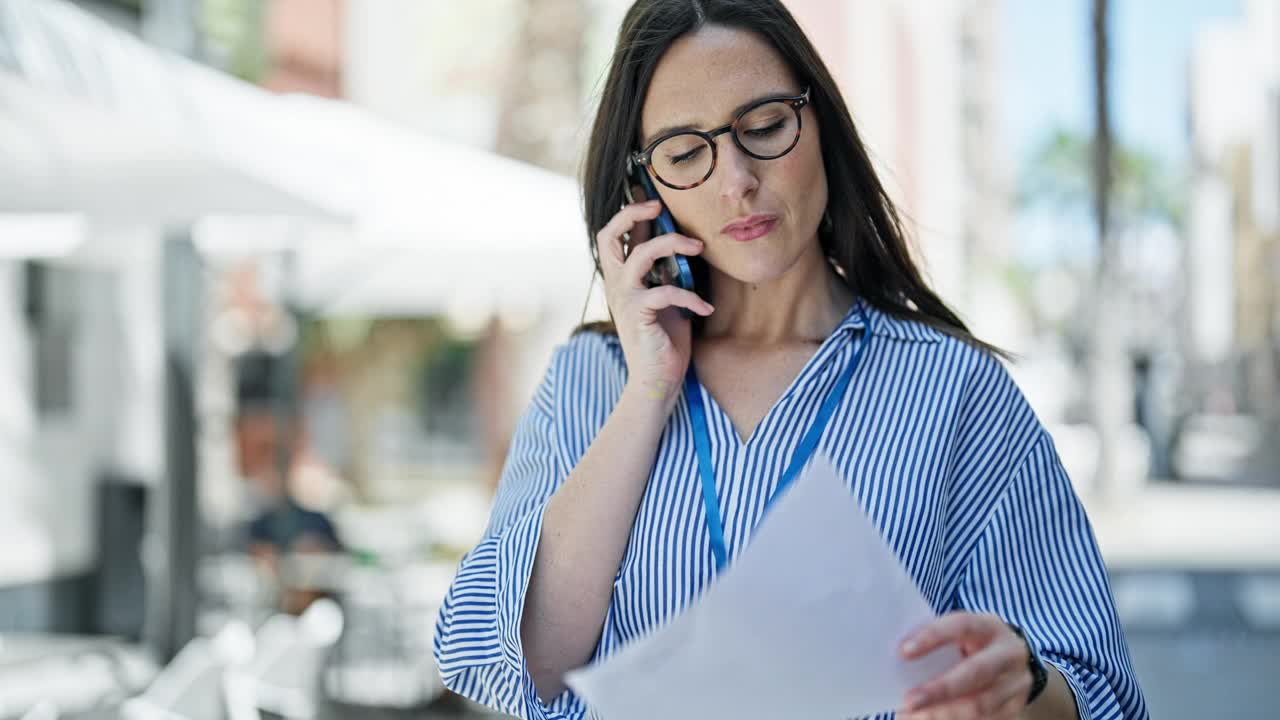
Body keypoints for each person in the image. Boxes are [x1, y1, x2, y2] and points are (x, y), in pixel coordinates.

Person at [433, 1, 1148, 718]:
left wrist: (1019, 688)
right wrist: (648, 390)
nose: (735, 180)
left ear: (821, 125)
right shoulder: (588, 383)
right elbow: (515, 666)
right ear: (643, 190)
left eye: (766, 126)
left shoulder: (956, 392)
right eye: (685, 153)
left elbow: (1104, 694)